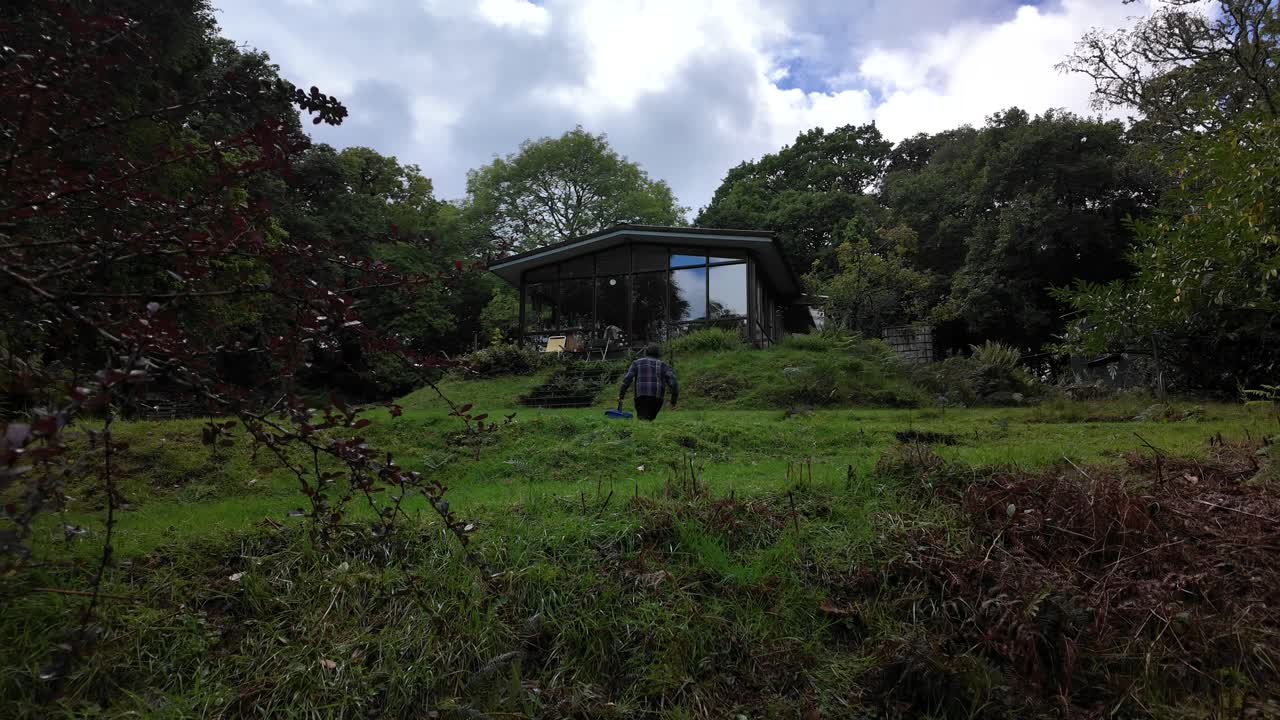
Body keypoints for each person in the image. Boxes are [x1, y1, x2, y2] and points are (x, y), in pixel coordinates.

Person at [617, 344, 678, 421]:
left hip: (641, 395)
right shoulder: (663, 365)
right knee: (650, 418)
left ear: (646, 352)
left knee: (643, 418)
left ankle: (643, 429)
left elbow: (627, 379)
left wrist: (621, 395)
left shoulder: (636, 363)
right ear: (658, 354)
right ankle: (647, 428)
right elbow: (674, 382)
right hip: (657, 397)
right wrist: (673, 401)